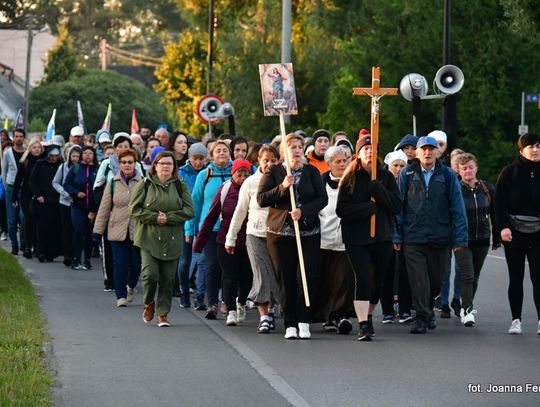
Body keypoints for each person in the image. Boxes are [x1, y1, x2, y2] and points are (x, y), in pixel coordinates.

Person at [394, 136, 468, 334]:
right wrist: (397, 235)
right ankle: (421, 318)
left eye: (431, 149)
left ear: (437, 152)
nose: (427, 153)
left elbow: (458, 207)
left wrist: (460, 238)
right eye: (423, 149)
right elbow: (398, 207)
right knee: (418, 281)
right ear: (417, 153)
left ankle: (426, 311)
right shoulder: (406, 173)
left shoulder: (448, 175)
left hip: (440, 236)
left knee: (437, 280)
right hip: (413, 236)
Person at [258, 133, 328, 340]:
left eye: (299, 146)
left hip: (308, 233)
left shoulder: (311, 171)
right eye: (292, 147)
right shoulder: (274, 171)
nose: (296, 150)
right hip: (280, 235)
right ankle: (290, 323)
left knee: (306, 277)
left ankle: (304, 320)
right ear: (283, 152)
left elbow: (322, 198)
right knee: (286, 278)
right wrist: (283, 188)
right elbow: (262, 199)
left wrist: (304, 211)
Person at [336, 134, 402, 341]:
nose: (370, 152)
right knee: (363, 278)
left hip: (382, 237)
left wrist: (378, 190)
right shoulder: (350, 178)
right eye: (366, 149)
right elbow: (342, 210)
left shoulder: (386, 177)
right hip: (357, 238)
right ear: (359, 153)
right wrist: (368, 208)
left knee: (377, 282)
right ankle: (363, 323)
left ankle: (370, 314)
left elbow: (396, 205)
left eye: (373, 149)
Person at [129, 151, 194, 327]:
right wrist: (154, 217)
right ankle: (149, 301)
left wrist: (170, 217)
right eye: (162, 163)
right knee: (150, 274)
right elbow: (134, 210)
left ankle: (162, 313)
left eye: (169, 164)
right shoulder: (146, 184)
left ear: (174, 167)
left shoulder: (180, 186)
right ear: (155, 166)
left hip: (172, 239)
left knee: (168, 279)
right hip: (148, 238)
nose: (165, 166)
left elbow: (189, 210)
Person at [226, 145, 280, 333]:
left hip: (277, 234)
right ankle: (263, 316)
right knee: (261, 274)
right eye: (266, 160)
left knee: (274, 274)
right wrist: (230, 238)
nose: (269, 164)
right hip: (255, 234)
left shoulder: (282, 179)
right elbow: (240, 212)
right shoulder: (250, 183)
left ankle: (271, 309)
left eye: (273, 160)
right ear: (258, 161)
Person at [194, 159, 253, 327]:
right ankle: (231, 311)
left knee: (247, 277)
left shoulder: (254, 190)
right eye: (238, 174)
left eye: (246, 175)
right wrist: (199, 243)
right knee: (229, 276)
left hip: (249, 240)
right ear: (232, 174)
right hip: (226, 240)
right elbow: (210, 217)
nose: (242, 178)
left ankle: (241, 302)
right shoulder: (225, 190)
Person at [495, 133, 540, 335]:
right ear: (521, 150)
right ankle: (516, 320)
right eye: (531, 146)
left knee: (538, 277)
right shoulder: (510, 172)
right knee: (516, 277)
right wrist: (502, 227)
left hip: (538, 233)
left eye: (539, 146)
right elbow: (498, 203)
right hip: (513, 232)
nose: (536, 149)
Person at [453, 152, 500, 327]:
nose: (468, 171)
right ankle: (467, 310)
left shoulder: (486, 188)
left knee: (476, 277)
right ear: (458, 170)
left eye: (471, 167)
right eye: (464, 168)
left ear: (476, 168)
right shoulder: (455, 189)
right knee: (467, 275)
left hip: (482, 239)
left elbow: (495, 214)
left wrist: (496, 237)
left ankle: (465, 305)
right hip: (462, 240)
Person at [187, 140, 232, 316]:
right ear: (211, 155)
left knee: (229, 267)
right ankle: (212, 303)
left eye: (225, 150)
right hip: (211, 228)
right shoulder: (205, 175)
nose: (222, 153)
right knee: (213, 264)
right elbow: (195, 204)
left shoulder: (237, 173)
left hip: (232, 228)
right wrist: (190, 230)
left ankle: (228, 303)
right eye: (218, 150)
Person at [314, 145, 355, 334]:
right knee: (325, 281)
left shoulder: (354, 182)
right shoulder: (320, 183)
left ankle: (340, 316)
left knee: (343, 280)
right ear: (329, 164)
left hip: (346, 240)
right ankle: (326, 316)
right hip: (323, 240)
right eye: (337, 161)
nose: (341, 164)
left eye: (345, 160)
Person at [94, 149, 142, 307]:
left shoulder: (143, 183)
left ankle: (131, 286)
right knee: (119, 263)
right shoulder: (113, 183)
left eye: (130, 162)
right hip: (116, 230)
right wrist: (97, 231)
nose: (127, 165)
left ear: (135, 164)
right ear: (119, 164)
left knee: (135, 264)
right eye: (124, 162)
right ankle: (120, 295)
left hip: (137, 230)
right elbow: (104, 208)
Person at [380, 149, 412, 324]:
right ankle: (388, 311)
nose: (399, 169)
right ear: (389, 166)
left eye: (402, 165)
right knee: (388, 272)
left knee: (405, 273)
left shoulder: (409, 181)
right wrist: (394, 236)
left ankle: (405, 309)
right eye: (396, 165)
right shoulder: (383, 183)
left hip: (408, 234)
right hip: (387, 233)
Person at [177, 142, 208, 308]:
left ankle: (201, 295)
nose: (198, 162)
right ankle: (184, 290)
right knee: (184, 261)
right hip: (185, 221)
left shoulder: (208, 173)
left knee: (203, 261)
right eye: (195, 158)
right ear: (189, 158)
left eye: (201, 159)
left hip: (204, 221)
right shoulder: (181, 173)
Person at [63, 146, 99, 270]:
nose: (88, 155)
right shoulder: (76, 168)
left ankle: (87, 259)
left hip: (92, 207)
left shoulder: (97, 169)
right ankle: (76, 258)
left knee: (90, 233)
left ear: (93, 155)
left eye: (90, 153)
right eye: (85, 153)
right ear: (81, 155)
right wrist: (76, 193)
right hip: (77, 205)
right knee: (79, 230)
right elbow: (66, 184)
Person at [29, 145, 63, 262]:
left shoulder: (61, 165)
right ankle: (41, 251)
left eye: (56, 156)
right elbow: (32, 181)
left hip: (57, 200)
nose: (54, 158)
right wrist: (38, 195)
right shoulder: (40, 164)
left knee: (54, 227)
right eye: (52, 156)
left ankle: (52, 252)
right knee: (42, 227)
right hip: (42, 201)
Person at [12, 137, 44, 258]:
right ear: (30, 149)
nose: (36, 150)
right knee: (28, 220)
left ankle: (37, 246)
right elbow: (18, 179)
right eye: (34, 147)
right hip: (26, 194)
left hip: (40, 195)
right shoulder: (25, 161)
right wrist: (14, 196)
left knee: (38, 221)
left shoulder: (43, 160)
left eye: (38, 147)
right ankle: (28, 246)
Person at [53, 144, 82, 267]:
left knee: (77, 229)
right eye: (73, 156)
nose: (75, 158)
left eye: (77, 156)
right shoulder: (63, 167)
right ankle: (67, 254)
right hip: (65, 201)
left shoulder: (82, 168)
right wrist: (64, 192)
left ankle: (77, 253)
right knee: (66, 228)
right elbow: (55, 182)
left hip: (78, 202)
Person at [1, 128, 27, 255]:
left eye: (21, 136)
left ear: (24, 138)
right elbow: (4, 171)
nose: (18, 138)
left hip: (24, 188)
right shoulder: (7, 153)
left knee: (23, 217)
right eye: (16, 136)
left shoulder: (27, 152)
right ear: (13, 137)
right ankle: (14, 245)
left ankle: (23, 243)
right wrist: (6, 188)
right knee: (11, 220)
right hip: (11, 188)